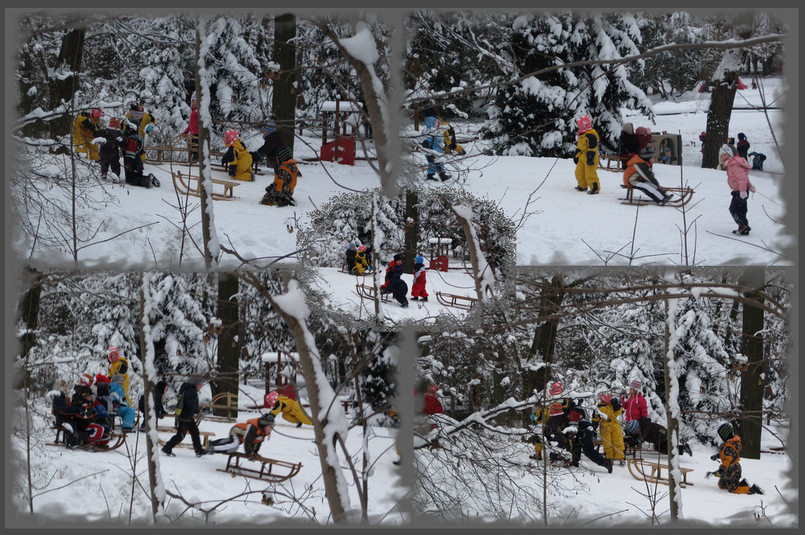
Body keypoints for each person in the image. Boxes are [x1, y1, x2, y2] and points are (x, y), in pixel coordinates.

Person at [707, 423, 763, 495]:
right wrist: (717, 456)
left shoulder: (729, 446)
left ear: (725, 435)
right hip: (728, 469)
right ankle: (741, 484)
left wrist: (722, 469)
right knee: (722, 485)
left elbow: (728, 459)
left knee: (733, 490)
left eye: (721, 436)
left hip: (733, 470)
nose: (720, 437)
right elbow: (725, 454)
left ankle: (750, 490)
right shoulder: (729, 444)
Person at [256, 121, 301, 207]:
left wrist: (277, 196)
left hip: (281, 192)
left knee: (265, 200)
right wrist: (272, 185)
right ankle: (286, 197)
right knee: (271, 191)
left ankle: (283, 201)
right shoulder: (292, 167)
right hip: (288, 191)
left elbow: (280, 183)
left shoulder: (282, 170)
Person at [162, 376, 207, 457]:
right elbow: (191, 404)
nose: (201, 386)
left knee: (195, 432)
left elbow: (186, 403)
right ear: (194, 383)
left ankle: (198, 450)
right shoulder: (190, 392)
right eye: (199, 384)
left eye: (201, 384)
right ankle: (167, 447)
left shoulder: (191, 391)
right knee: (181, 435)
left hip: (188, 417)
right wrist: (198, 413)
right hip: (184, 418)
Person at [206, 414, 275, 458]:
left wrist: (255, 452)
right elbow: (248, 441)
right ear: (264, 426)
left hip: (241, 435)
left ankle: (212, 443)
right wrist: (249, 455)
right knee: (234, 445)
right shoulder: (254, 428)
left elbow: (257, 442)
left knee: (230, 441)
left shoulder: (263, 432)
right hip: (237, 431)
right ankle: (213, 448)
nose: (271, 429)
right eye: (270, 427)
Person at [723, 144, 756, 236]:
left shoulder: (734, 164)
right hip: (741, 190)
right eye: (721, 156)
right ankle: (742, 226)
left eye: (725, 155)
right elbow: (744, 177)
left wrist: (742, 191)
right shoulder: (733, 164)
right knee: (741, 209)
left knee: (734, 209)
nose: (723, 157)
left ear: (730, 154)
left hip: (740, 191)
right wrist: (749, 187)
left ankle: (744, 226)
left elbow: (742, 178)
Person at [592, 392, 625, 465]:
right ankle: (609, 457)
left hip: (615, 425)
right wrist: (593, 430)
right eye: (610, 396)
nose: (611, 398)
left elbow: (619, 412)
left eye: (611, 396)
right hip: (605, 427)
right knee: (607, 444)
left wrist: (616, 403)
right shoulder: (599, 407)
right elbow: (595, 419)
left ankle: (621, 457)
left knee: (618, 442)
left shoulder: (613, 405)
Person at [573, 115, 600, 194]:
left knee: (590, 173)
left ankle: (595, 188)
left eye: (579, 125)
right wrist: (576, 155)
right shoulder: (581, 135)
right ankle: (582, 186)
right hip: (582, 157)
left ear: (584, 125)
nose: (578, 127)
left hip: (590, 157)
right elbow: (579, 147)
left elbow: (593, 147)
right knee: (579, 172)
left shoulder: (591, 135)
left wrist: (590, 157)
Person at [421, 112, 451, 181]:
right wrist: (428, 149)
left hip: (438, 150)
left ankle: (430, 175)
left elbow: (441, 140)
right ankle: (442, 175)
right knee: (438, 163)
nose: (438, 124)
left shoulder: (438, 132)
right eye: (436, 123)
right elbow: (426, 141)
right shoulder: (430, 132)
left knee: (432, 164)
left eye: (438, 123)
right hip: (432, 151)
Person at [95, 117, 125, 182]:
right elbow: (122, 143)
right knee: (115, 164)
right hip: (113, 152)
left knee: (104, 163)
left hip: (103, 151)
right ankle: (116, 176)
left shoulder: (104, 131)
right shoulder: (119, 134)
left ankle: (104, 173)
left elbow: (97, 135)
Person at [181, 94, 199, 162]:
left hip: (197, 132)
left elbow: (200, 121)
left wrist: (198, 125)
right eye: (193, 101)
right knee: (191, 146)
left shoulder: (198, 111)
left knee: (195, 147)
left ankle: (197, 159)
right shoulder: (192, 111)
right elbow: (191, 124)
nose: (194, 103)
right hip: (192, 132)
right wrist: (186, 131)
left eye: (196, 101)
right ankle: (194, 159)